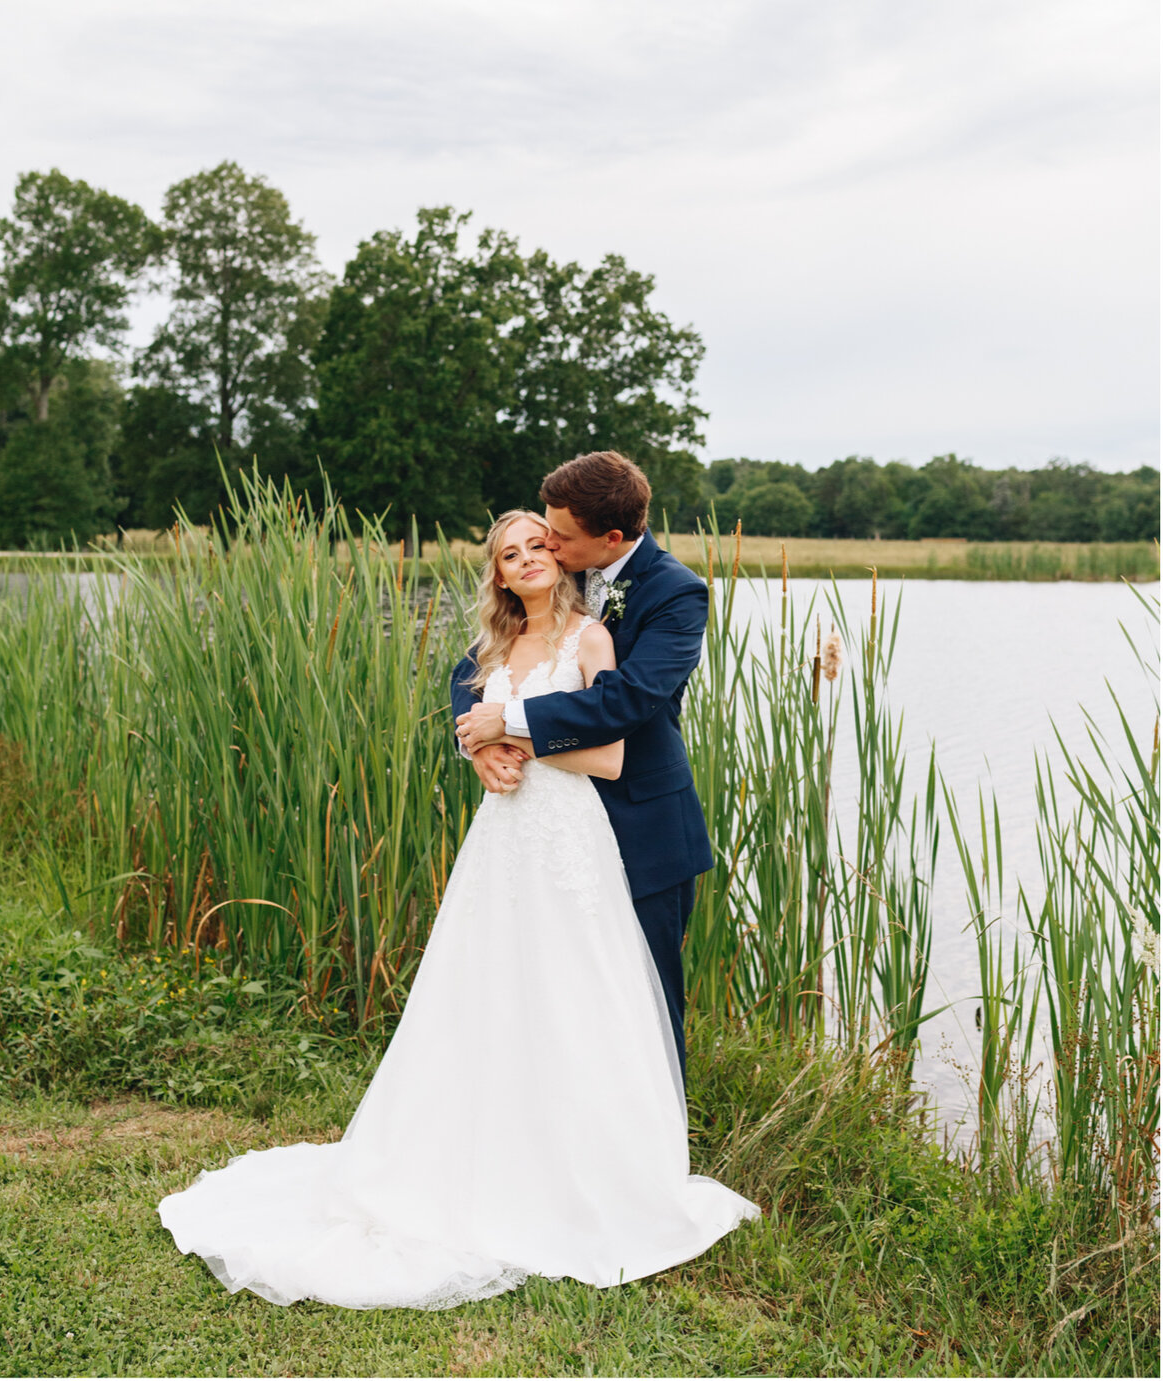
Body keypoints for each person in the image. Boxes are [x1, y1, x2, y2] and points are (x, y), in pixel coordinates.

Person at [155, 500, 755, 1309]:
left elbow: (612, 755)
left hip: (572, 840)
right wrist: (477, 747)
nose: (529, 558)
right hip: (502, 841)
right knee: (484, 996)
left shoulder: (595, 636)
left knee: (583, 995)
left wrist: (512, 732)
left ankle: (603, 1167)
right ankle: (476, 1157)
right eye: (511, 553)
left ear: (568, 554)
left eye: (540, 544)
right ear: (498, 575)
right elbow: (467, 709)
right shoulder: (491, 647)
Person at [452, 449, 716, 1070]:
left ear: (612, 538)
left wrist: (509, 727)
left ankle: (657, 1148)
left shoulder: (676, 594)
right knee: (542, 991)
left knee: (644, 999)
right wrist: (476, 744)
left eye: (558, 537)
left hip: (642, 823)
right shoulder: (550, 570)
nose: (544, 543)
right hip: (540, 828)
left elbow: (629, 700)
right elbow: (479, 669)